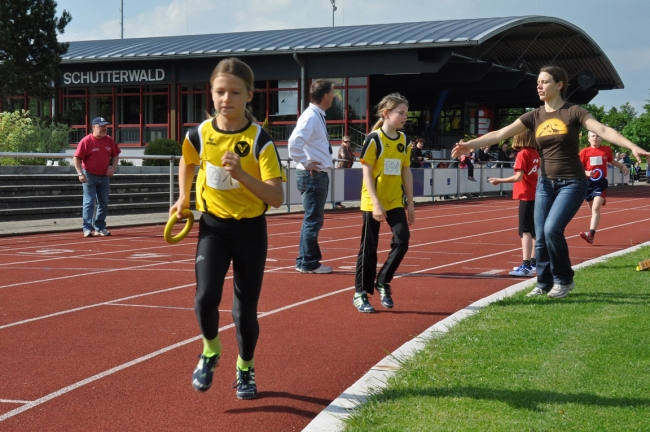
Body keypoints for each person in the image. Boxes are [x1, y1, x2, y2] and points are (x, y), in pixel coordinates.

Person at [452, 65, 650, 299]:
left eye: (544, 82)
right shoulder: (534, 116)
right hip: (545, 183)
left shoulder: (574, 112)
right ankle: (543, 282)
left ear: (559, 85)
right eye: (538, 82)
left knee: (552, 229)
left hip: (573, 183)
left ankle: (565, 280)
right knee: (541, 235)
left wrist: (632, 146)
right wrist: (470, 145)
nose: (539, 86)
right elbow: (500, 134)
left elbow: (604, 129)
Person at [169, 58, 285, 400]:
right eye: (220, 91)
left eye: (235, 92)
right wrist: (183, 198)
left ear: (249, 95)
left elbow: (277, 197)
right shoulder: (198, 134)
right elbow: (187, 161)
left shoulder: (260, 140)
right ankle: (210, 351)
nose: (226, 99)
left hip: (250, 231)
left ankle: (246, 368)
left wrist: (242, 175)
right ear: (211, 92)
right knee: (204, 298)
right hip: (213, 228)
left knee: (243, 311)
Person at [353, 93, 415, 313]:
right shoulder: (374, 139)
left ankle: (383, 281)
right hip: (373, 202)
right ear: (386, 114)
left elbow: (405, 171)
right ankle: (361, 292)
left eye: (406, 113)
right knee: (368, 247)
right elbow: (367, 173)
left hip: (395, 201)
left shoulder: (405, 141)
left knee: (403, 240)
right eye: (401, 113)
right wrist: (376, 204)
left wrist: (411, 203)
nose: (404, 117)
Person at [288, 79, 335, 274]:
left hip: (315, 174)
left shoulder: (316, 115)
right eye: (333, 93)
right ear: (325, 96)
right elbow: (293, 143)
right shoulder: (311, 116)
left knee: (313, 219)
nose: (334, 96)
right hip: (313, 175)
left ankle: (306, 260)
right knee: (313, 220)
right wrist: (306, 162)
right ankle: (308, 262)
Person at [487, 130, 540, 277]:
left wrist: (499, 180)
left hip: (527, 195)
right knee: (533, 230)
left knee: (525, 230)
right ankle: (534, 262)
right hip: (534, 193)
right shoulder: (535, 153)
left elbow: (518, 177)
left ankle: (526, 264)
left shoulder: (523, 154)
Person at [73, 117, 121, 237]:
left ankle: (100, 227)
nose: (104, 128)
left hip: (104, 176)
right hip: (89, 175)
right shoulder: (86, 140)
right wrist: (80, 173)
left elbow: (116, 155)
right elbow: (76, 158)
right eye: (101, 126)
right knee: (89, 202)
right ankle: (87, 228)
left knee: (103, 203)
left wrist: (113, 168)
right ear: (94, 127)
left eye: (105, 126)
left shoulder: (109, 140)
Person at [578, 131, 629, 244]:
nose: (595, 138)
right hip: (588, 183)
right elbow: (577, 168)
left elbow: (611, 160)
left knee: (596, 208)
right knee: (592, 210)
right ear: (588, 139)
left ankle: (591, 234)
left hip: (600, 182)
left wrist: (622, 165)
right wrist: (586, 172)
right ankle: (600, 198)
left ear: (601, 138)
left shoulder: (606, 150)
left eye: (597, 136)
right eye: (593, 136)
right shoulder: (584, 152)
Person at [334, 135, 355, 209]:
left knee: (343, 186)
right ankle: (336, 203)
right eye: (346, 142)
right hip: (341, 168)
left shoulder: (348, 149)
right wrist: (353, 158)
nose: (348, 143)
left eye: (349, 142)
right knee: (339, 186)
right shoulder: (342, 148)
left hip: (346, 168)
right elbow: (344, 156)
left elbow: (352, 156)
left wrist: (353, 157)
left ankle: (338, 202)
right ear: (342, 142)